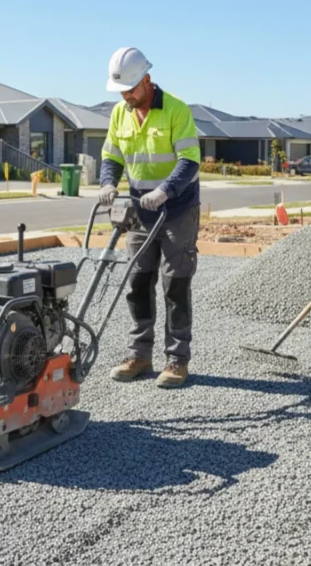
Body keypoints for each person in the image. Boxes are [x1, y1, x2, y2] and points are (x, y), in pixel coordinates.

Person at [98, 46, 202, 388]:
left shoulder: (176, 110)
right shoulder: (119, 113)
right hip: (139, 211)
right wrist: (108, 183)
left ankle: (177, 360)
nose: (126, 96)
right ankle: (140, 355)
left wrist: (165, 191)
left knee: (176, 283)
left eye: (131, 89)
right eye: (122, 91)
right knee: (138, 282)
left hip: (177, 209)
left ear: (147, 79)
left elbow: (189, 161)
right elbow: (111, 155)